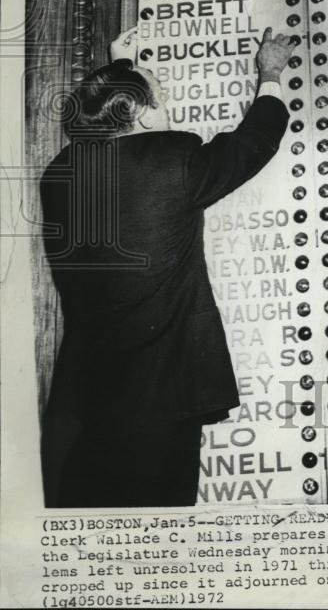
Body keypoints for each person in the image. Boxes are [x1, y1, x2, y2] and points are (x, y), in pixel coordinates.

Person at [39, 25, 296, 507]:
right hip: (160, 399)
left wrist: (122, 67)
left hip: (82, 401)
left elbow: (113, 131)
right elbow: (254, 142)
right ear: (139, 114)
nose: (167, 102)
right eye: (159, 96)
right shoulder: (173, 160)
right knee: (157, 540)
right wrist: (270, 73)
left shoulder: (59, 174)